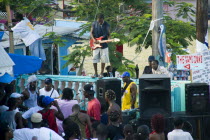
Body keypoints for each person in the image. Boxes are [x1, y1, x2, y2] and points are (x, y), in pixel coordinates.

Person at [90, 13, 110, 78]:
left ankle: (101, 73)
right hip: (96, 43)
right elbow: (91, 32)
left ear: (102, 19)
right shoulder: (94, 24)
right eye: (98, 21)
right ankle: (95, 72)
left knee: (103, 59)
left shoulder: (107, 25)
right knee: (94, 58)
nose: (99, 22)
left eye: (100, 21)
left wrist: (108, 40)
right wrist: (93, 39)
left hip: (103, 43)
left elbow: (108, 34)